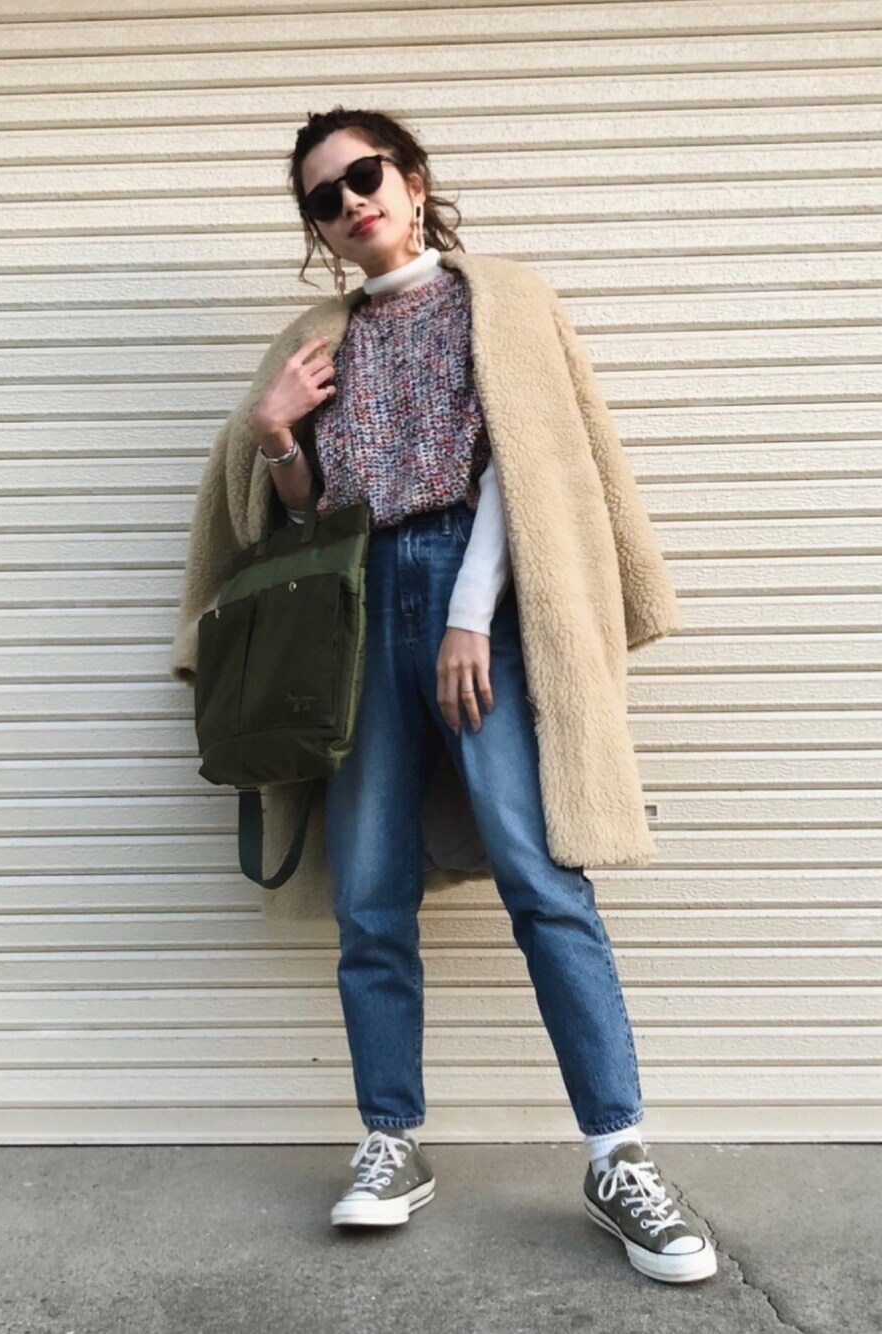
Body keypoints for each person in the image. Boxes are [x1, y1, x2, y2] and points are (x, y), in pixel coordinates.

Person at [244, 106, 717, 1285]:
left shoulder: (497, 299)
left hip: (474, 596)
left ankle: (617, 1154)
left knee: (542, 874)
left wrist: (467, 611)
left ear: (411, 178)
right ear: (316, 229)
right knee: (367, 893)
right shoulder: (318, 339)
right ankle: (389, 1137)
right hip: (355, 606)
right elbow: (305, 515)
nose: (349, 202)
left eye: (364, 174)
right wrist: (275, 432)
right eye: (322, 197)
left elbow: (527, 460)